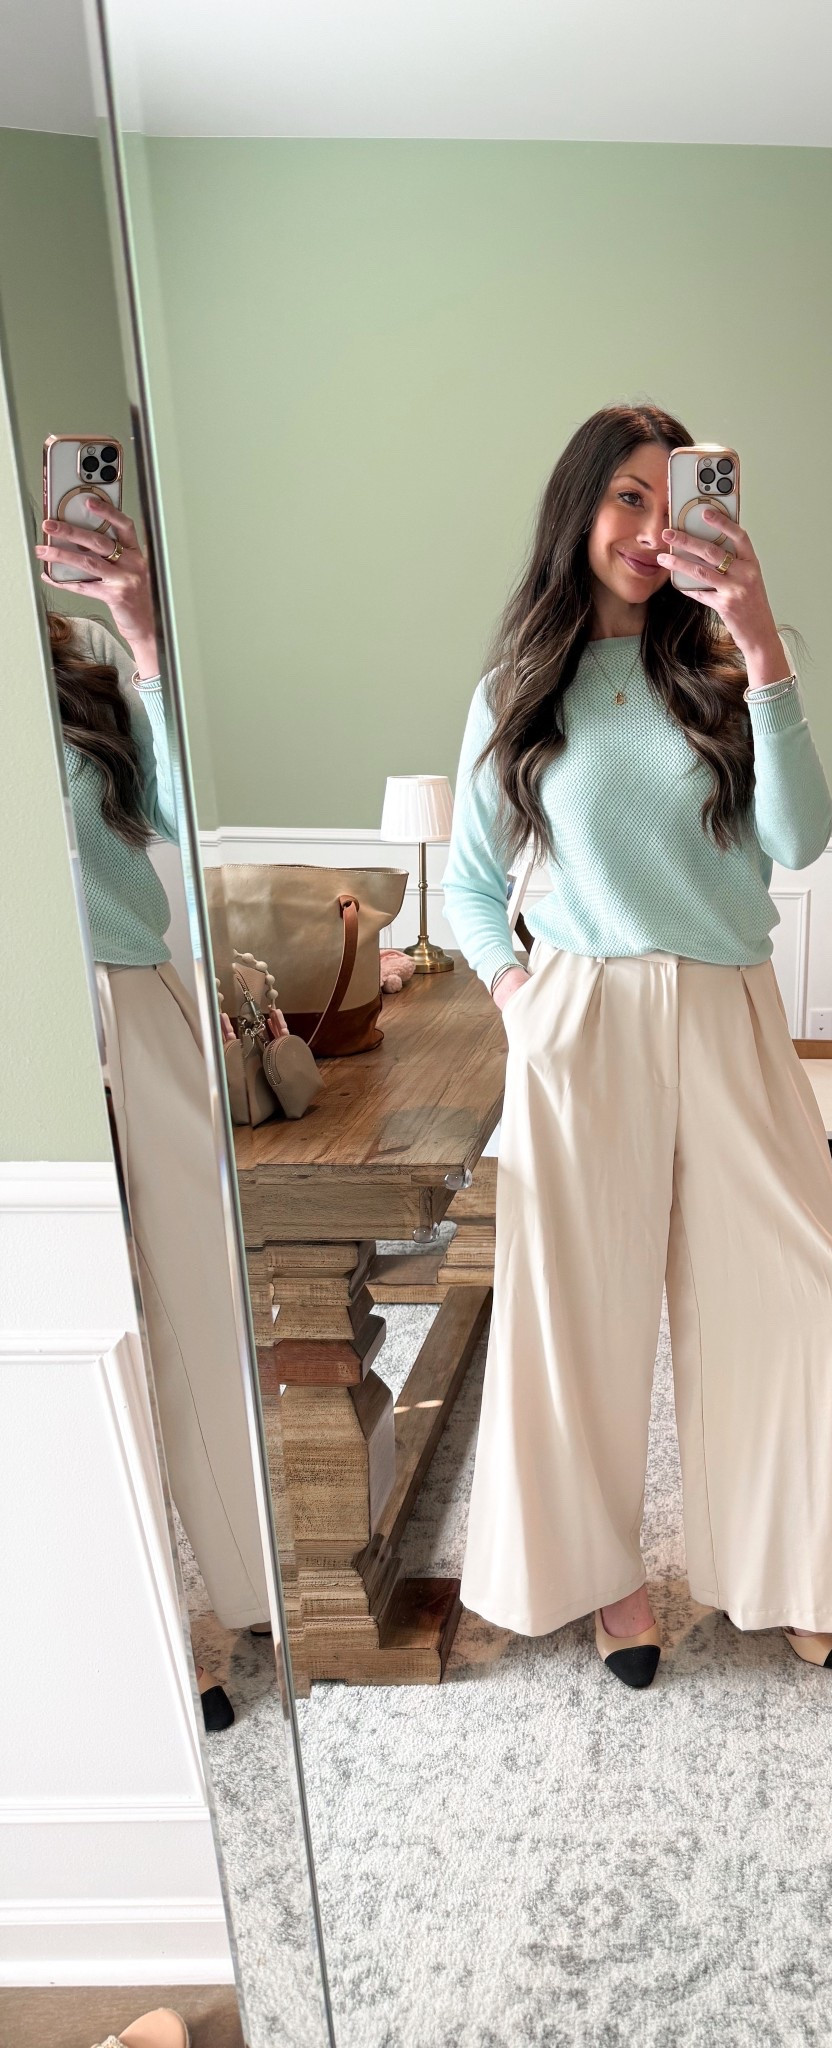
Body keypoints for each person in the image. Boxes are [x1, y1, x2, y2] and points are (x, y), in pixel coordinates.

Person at [442, 403, 832, 1689]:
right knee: (577, 1314)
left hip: (729, 1010)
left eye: (670, 498)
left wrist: (760, 637)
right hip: (579, 1018)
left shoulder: (731, 674)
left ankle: (797, 1573)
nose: (648, 528)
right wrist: (524, 999)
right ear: (580, 511)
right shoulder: (515, 691)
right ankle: (606, 1579)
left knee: (815, 1305)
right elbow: (472, 884)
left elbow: (800, 840)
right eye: (625, 498)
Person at [36, 498, 271, 1725]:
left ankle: (240, 1587)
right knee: (61, 1331)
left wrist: (137, 629)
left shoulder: (81, 673)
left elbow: (179, 811)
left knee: (195, 1307)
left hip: (133, 999)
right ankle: (129, 1622)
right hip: (25, 1033)